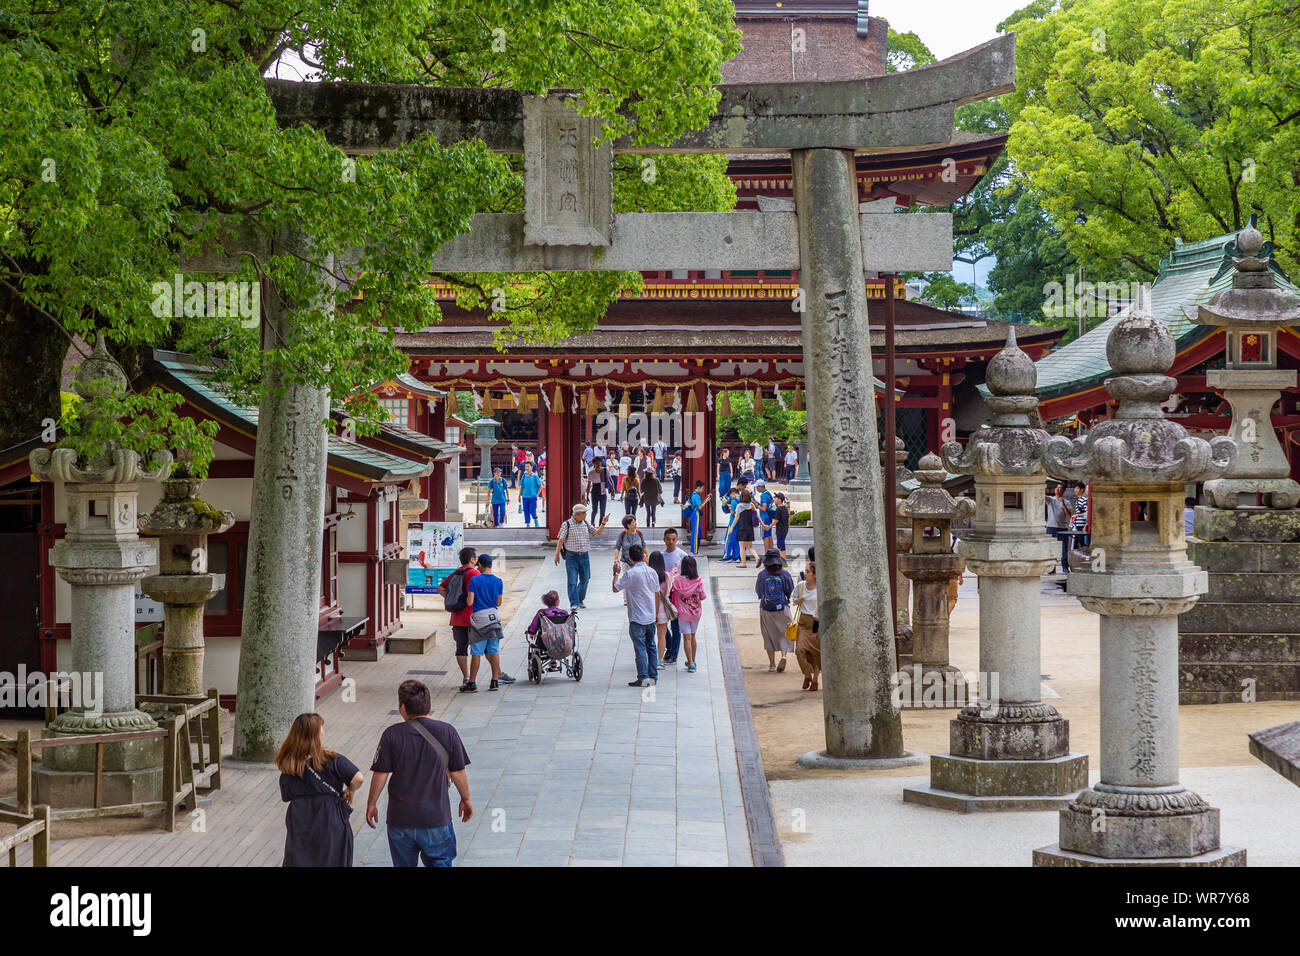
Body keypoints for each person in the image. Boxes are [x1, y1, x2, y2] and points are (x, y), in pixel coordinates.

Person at [367, 680, 472, 867]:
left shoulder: (391, 735)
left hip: (400, 820)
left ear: (402, 708)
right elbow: (457, 771)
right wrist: (466, 799)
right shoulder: (448, 732)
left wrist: (371, 803)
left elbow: (380, 773)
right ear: (428, 706)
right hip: (436, 818)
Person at [277, 712, 363, 867]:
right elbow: (358, 778)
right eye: (321, 729)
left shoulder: (288, 764)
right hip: (329, 819)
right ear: (315, 735)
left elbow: (286, 795)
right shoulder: (331, 759)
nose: (323, 732)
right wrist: (351, 790)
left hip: (300, 820)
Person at [613, 544, 661, 688]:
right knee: (651, 646)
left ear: (629, 558)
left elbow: (615, 588)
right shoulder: (652, 572)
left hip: (637, 617)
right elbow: (657, 593)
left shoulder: (631, 574)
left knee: (640, 648)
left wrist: (615, 573)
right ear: (643, 556)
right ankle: (653, 676)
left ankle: (643, 677)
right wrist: (656, 613)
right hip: (651, 616)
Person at [466, 553, 513, 691]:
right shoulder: (498, 581)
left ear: (479, 565)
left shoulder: (474, 581)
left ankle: (472, 683)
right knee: (494, 650)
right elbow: (499, 602)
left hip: (479, 621)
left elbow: (470, 601)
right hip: (493, 619)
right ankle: (494, 681)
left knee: (476, 652)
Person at [436, 545, 479, 692]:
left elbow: (440, 588)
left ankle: (466, 676)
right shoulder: (474, 573)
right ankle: (474, 679)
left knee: (460, 649)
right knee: (477, 649)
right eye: (476, 558)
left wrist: (452, 599)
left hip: (457, 618)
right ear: (472, 559)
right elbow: (475, 595)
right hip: (473, 617)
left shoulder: (456, 573)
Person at [554, 502, 610, 608]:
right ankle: (574, 603)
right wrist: (556, 554)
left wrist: (603, 523)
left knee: (585, 579)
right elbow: (561, 540)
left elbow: (597, 533)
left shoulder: (585, 523)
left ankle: (580, 599)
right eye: (584, 513)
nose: (585, 515)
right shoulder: (567, 524)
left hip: (584, 556)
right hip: (572, 556)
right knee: (572, 580)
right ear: (577, 514)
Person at [755, 548, 795, 672]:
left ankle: (772, 664)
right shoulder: (785, 574)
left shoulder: (762, 575)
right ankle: (783, 656)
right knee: (783, 632)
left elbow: (759, 592)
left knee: (768, 635)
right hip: (782, 607)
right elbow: (790, 589)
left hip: (766, 609)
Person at [669, 555, 706, 673]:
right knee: (693, 636)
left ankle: (690, 663)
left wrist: (673, 570)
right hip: (696, 612)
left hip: (683, 613)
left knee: (686, 637)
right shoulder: (699, 580)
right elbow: (703, 596)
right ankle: (692, 661)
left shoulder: (677, 580)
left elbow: (670, 582)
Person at [791, 559, 820, 691]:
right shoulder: (801, 586)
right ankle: (807, 674)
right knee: (800, 650)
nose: (805, 573)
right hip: (803, 622)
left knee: (815, 653)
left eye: (808, 571)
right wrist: (798, 601)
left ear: (814, 575)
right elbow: (793, 600)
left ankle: (815, 679)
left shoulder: (820, 589)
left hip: (817, 623)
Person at [525, 590, 571, 672]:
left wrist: (531, 632)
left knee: (547, 637)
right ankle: (553, 661)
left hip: (546, 643)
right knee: (556, 636)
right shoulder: (564, 613)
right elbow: (572, 626)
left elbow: (533, 626)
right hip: (564, 641)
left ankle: (545, 662)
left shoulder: (542, 613)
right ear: (557, 602)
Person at [648, 550, 679, 664]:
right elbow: (672, 576)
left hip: (649, 609)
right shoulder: (667, 576)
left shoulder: (649, 575)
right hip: (662, 611)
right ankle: (660, 660)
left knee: (649, 638)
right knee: (662, 636)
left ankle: (650, 659)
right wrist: (674, 570)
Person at [1045, 483, 1071, 574]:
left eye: (1060, 488)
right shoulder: (1051, 499)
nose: (1057, 489)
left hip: (1062, 528)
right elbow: (1043, 497)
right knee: (1051, 547)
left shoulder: (1067, 502)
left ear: (1063, 491)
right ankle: (1051, 568)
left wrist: (1063, 503)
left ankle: (1065, 566)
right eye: (1057, 487)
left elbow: (1069, 514)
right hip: (1051, 527)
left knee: (1063, 548)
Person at [684, 480, 711, 555]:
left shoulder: (693, 494)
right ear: (698, 488)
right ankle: (695, 551)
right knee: (696, 533)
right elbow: (700, 507)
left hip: (693, 514)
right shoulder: (697, 496)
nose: (702, 490)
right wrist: (706, 501)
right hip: (696, 514)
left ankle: (694, 550)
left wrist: (706, 499)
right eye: (702, 488)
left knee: (695, 532)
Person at [734, 486, 758, 568]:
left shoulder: (739, 506)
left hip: (742, 528)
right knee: (750, 547)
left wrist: (731, 527)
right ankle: (757, 557)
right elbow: (756, 515)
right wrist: (762, 523)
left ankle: (743, 564)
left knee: (742, 547)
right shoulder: (751, 505)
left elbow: (736, 518)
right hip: (750, 528)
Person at [764, 492, 790, 557]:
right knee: (781, 544)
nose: (774, 499)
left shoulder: (778, 509)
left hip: (780, 529)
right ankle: (782, 559)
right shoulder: (784, 508)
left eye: (775, 498)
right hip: (785, 528)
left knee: (780, 545)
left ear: (779, 499)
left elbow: (776, 520)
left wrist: (769, 527)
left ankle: (783, 560)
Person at [720, 486, 742, 562]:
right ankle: (736, 556)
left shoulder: (734, 501)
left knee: (728, 539)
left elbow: (732, 512)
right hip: (740, 523)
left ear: (733, 494)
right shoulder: (742, 499)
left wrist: (729, 506)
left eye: (730, 495)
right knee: (737, 540)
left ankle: (727, 555)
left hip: (733, 522)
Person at [519, 460, 542, 528]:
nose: (527, 468)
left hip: (533, 497)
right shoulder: (523, 476)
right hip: (525, 497)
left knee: (532, 510)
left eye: (528, 466)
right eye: (526, 466)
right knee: (526, 511)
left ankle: (536, 520)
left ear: (531, 467)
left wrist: (537, 495)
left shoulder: (535, 476)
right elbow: (522, 487)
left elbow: (540, 486)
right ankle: (528, 524)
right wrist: (519, 496)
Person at [755, 478, 775, 551]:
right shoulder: (768, 493)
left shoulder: (763, 495)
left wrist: (757, 506)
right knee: (769, 535)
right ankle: (772, 552)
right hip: (769, 517)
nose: (756, 488)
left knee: (765, 536)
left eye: (757, 487)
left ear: (760, 486)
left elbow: (764, 508)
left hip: (764, 518)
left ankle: (767, 553)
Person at [1071, 480, 1090, 547]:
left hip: (1082, 526)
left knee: (1082, 545)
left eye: (1077, 488)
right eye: (1075, 488)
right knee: (1075, 545)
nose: (1075, 490)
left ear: (1082, 489)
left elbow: (1088, 512)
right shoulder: (1078, 500)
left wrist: (1077, 515)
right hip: (1076, 526)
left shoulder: (1084, 500)